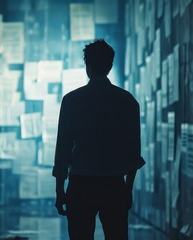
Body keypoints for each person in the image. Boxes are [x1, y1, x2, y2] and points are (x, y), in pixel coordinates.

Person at [53, 39, 145, 240]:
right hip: (114, 184)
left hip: (81, 185)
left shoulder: (72, 100)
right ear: (110, 66)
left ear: (87, 65)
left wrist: (60, 189)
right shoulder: (127, 101)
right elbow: (133, 152)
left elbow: (63, 148)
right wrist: (127, 190)